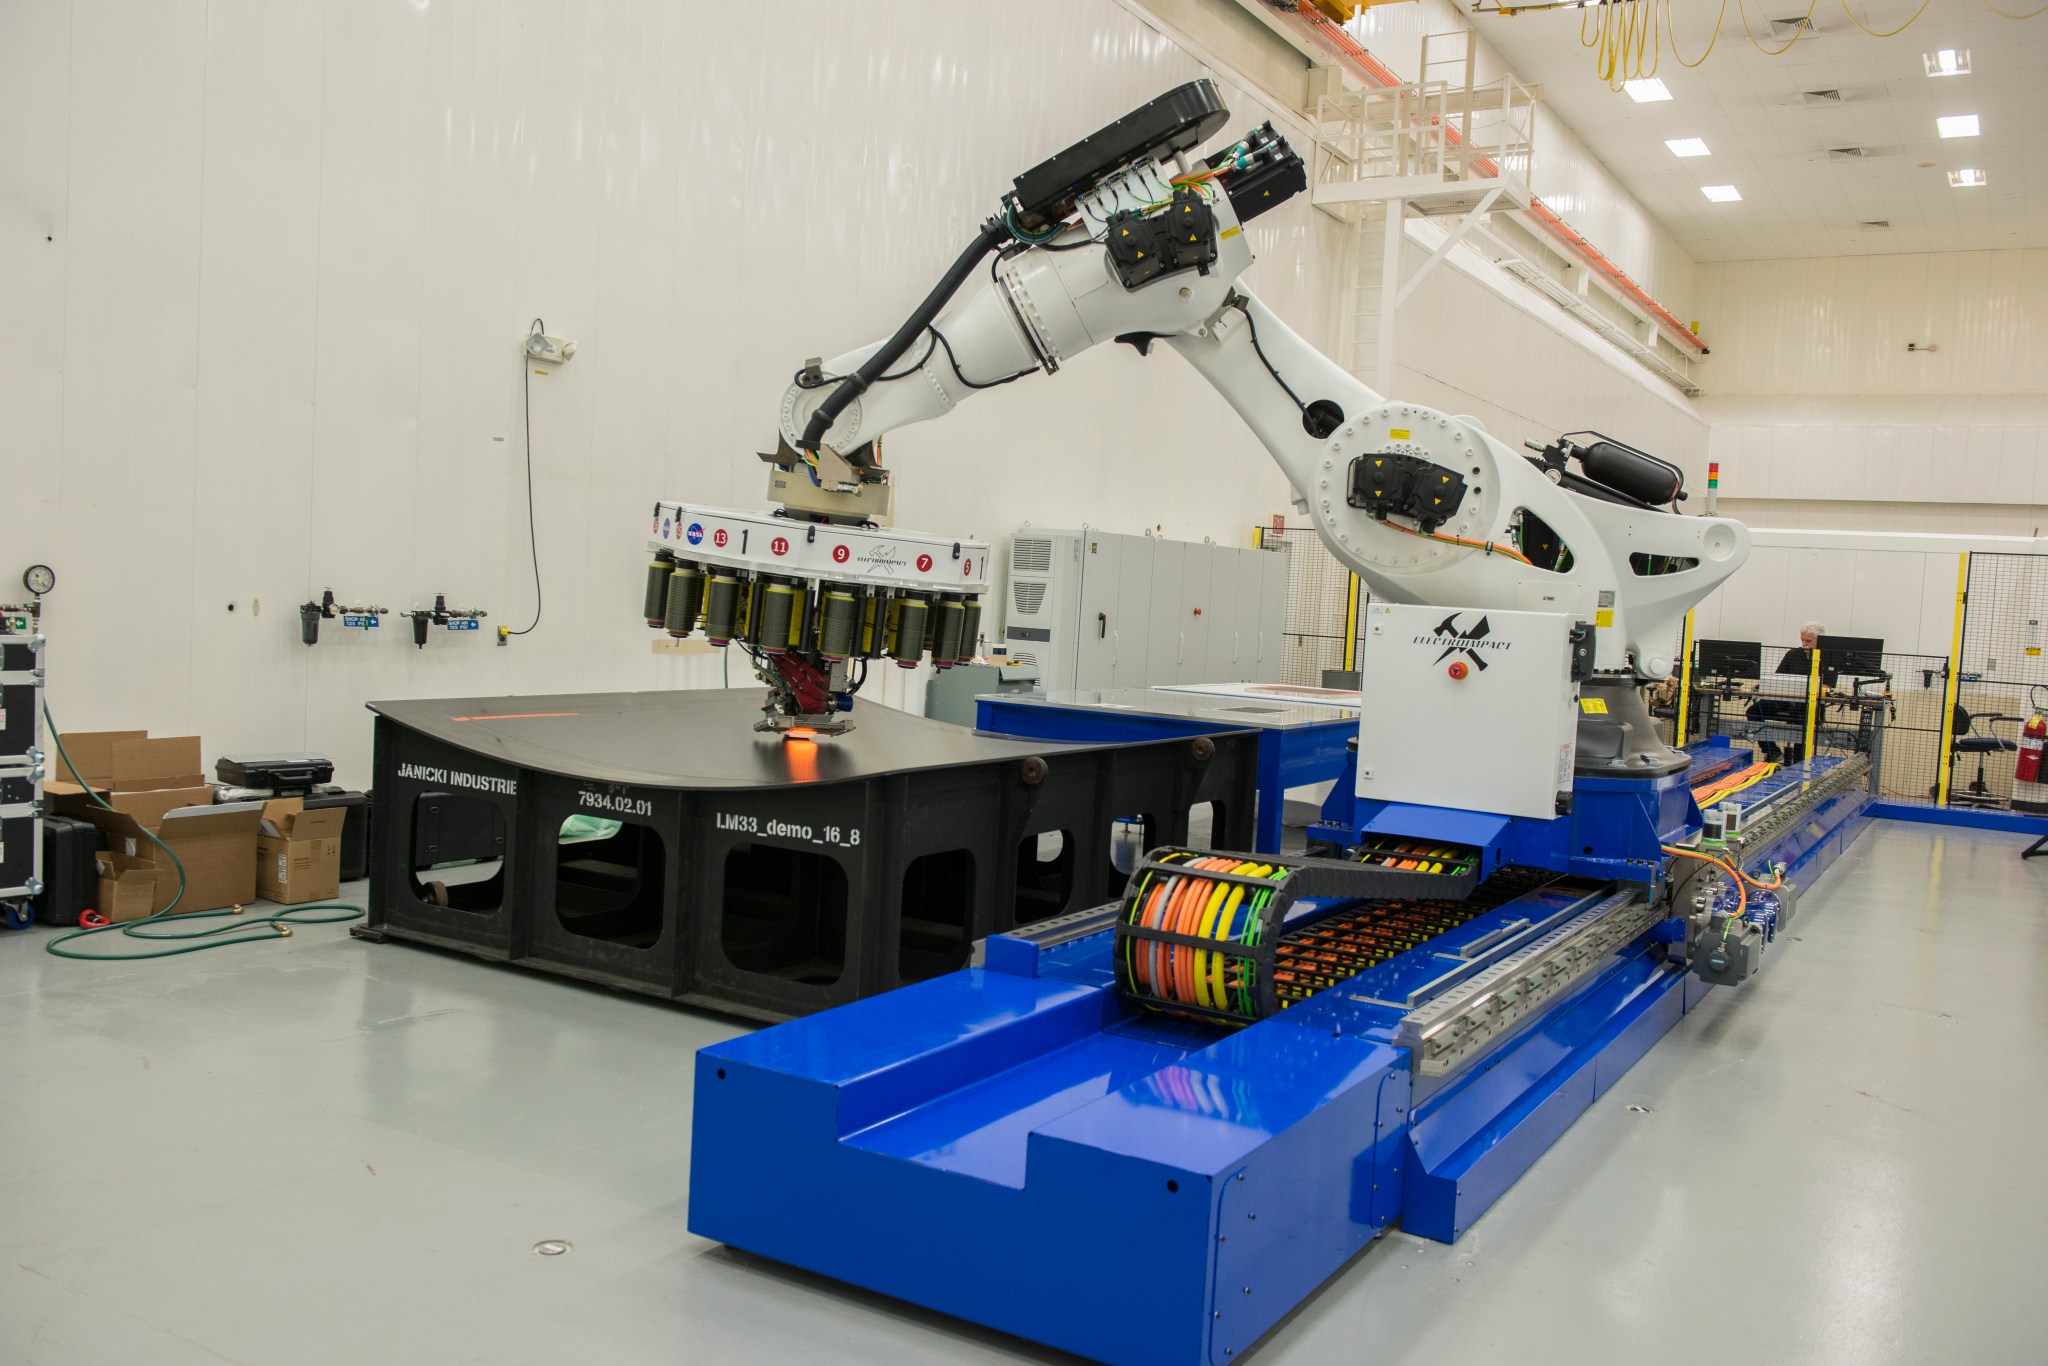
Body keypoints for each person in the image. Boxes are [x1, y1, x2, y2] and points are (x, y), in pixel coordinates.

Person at [1754, 621, 1823, 763]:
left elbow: (1827, 685)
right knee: (1754, 711)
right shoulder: (1792, 654)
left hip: (1806, 706)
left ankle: (1798, 762)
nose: (1804, 644)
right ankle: (1772, 751)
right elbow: (1778, 678)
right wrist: (1762, 686)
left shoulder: (1827, 659)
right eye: (1802, 640)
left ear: (1819, 640)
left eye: (1808, 641)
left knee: (1799, 721)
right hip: (1784, 702)